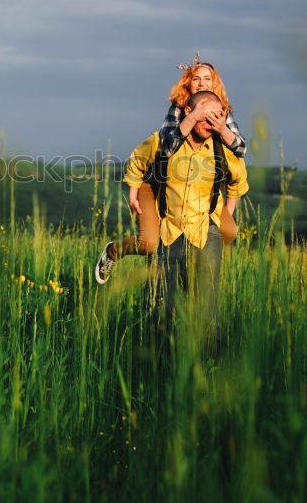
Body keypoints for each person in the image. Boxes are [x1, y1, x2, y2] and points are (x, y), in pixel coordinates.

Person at [95, 54, 247, 284]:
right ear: (188, 82)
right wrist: (133, 189)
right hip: (159, 183)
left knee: (227, 233)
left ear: (215, 83)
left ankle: (187, 265)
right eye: (197, 79)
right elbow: (167, 145)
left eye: (207, 79)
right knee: (149, 243)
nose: (202, 83)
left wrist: (222, 128)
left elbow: (238, 153)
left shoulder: (221, 111)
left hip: (201, 188)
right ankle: (114, 251)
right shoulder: (179, 109)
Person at [110, 90, 249, 328]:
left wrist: (227, 212)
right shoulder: (164, 141)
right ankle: (157, 360)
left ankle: (204, 362)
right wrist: (133, 190)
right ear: (189, 113)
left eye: (215, 118)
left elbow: (238, 181)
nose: (209, 123)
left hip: (205, 234)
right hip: (168, 231)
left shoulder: (223, 149)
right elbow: (137, 160)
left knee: (206, 311)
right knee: (158, 308)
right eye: (203, 117)